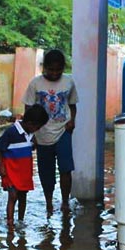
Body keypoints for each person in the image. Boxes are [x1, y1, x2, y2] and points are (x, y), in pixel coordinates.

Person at [23, 49, 79, 216]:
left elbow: (73, 105)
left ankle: (64, 202)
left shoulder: (69, 82)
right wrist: (30, 134)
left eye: (58, 70)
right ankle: (48, 203)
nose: (54, 73)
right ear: (44, 67)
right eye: (51, 70)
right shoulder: (35, 84)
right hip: (42, 134)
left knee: (66, 169)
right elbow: (28, 109)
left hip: (63, 131)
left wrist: (72, 121)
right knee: (46, 173)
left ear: (63, 68)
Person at [0, 103, 49, 230]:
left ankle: (20, 220)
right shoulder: (12, 132)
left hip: (24, 171)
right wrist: (0, 166)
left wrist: (34, 144)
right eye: (37, 127)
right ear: (30, 124)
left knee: (23, 196)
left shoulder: (30, 134)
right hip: (11, 170)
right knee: (13, 196)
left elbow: (32, 145)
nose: (37, 130)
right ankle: (10, 222)